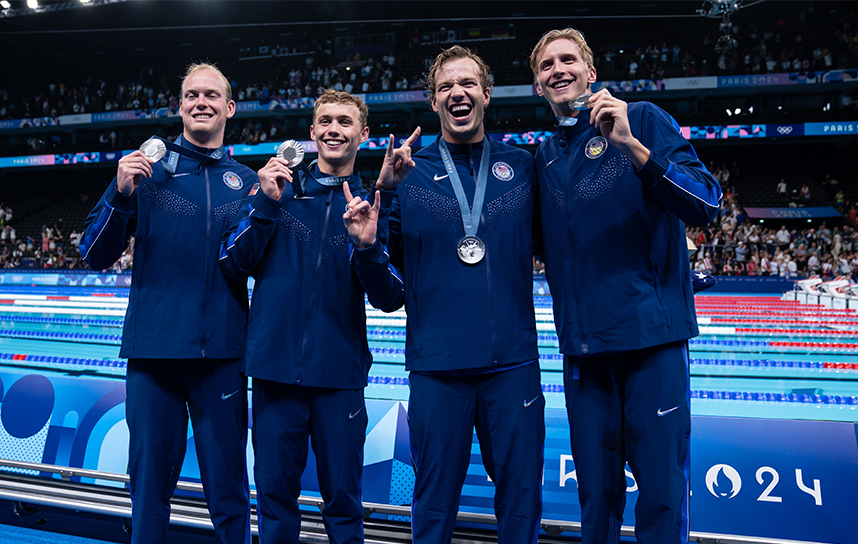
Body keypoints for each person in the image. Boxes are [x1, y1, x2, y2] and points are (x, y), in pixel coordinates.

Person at [530, 29, 722, 544]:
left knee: (661, 495)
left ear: (591, 73)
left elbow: (706, 202)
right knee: (596, 501)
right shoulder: (544, 156)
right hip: (585, 354)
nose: (558, 69)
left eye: (568, 59)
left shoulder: (642, 118)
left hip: (650, 346)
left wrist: (632, 146)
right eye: (547, 65)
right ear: (538, 86)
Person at [372, 45, 544, 543]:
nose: (457, 93)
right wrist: (384, 196)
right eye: (445, 86)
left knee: (521, 503)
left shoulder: (523, 167)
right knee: (432, 506)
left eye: (467, 83)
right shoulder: (407, 173)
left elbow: (563, 245)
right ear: (433, 102)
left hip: (512, 365)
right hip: (438, 368)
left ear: (486, 94)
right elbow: (383, 284)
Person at [218, 89, 406, 543]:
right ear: (312, 131)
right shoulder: (276, 189)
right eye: (325, 121)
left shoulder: (374, 204)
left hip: (339, 376)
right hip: (274, 372)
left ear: (363, 134)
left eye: (344, 121)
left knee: (344, 502)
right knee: (274, 500)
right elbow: (233, 262)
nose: (333, 129)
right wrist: (265, 204)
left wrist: (367, 247)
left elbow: (390, 297)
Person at [80, 62, 253, 544]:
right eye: (192, 95)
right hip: (154, 357)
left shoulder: (247, 182)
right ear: (180, 107)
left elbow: (257, 262)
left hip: (221, 358)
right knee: (149, 493)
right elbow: (94, 255)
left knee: (229, 493)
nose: (202, 102)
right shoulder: (144, 170)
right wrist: (120, 195)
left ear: (229, 108)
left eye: (212, 95)